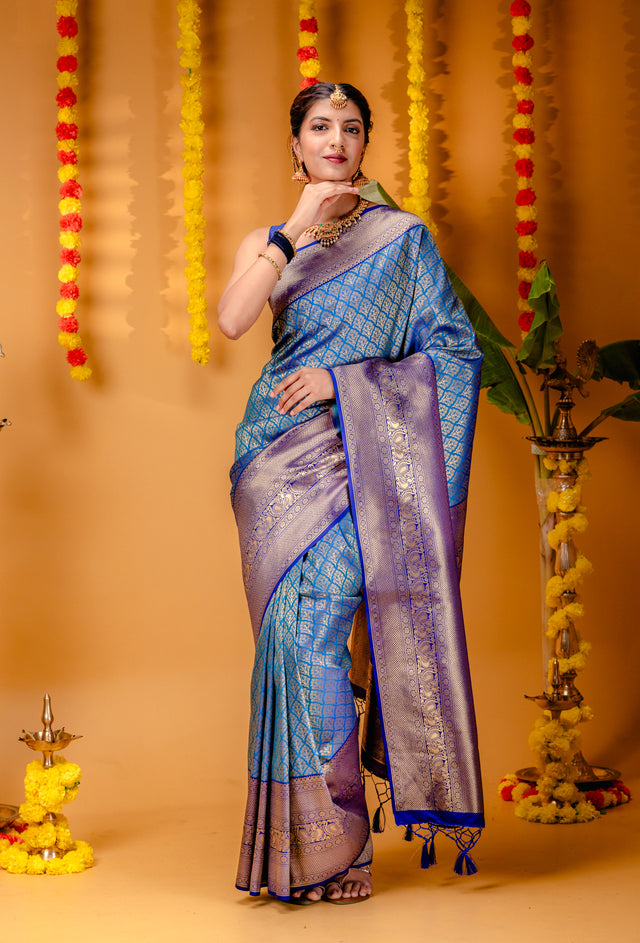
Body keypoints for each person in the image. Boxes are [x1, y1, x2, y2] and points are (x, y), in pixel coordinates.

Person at [218, 82, 484, 905]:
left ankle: (342, 845)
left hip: (360, 456)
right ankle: (296, 849)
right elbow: (232, 320)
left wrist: (343, 382)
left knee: (319, 631)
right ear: (296, 143)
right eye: (320, 126)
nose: (337, 138)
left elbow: (454, 352)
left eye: (352, 127)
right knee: (285, 645)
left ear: (366, 144)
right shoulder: (266, 241)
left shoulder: (402, 239)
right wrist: (295, 226)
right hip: (274, 462)